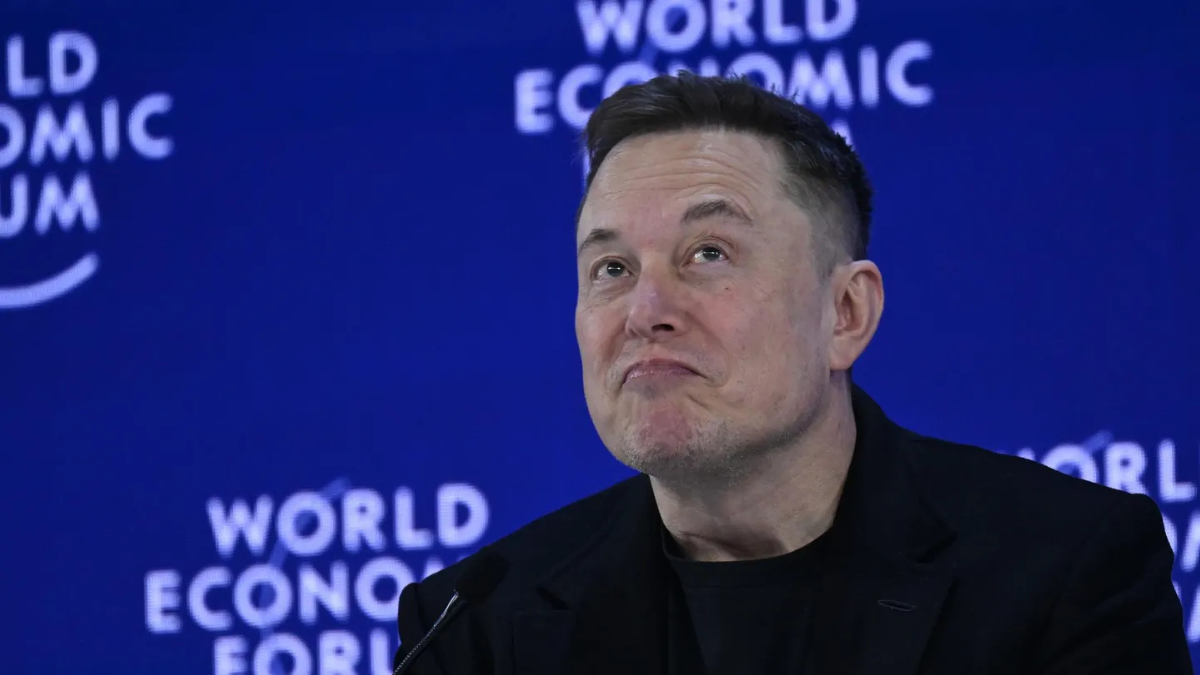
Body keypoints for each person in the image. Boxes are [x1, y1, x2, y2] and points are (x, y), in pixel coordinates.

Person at [393, 73, 1192, 674]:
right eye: (610, 267)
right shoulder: (474, 624)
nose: (644, 310)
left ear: (845, 312)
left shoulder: (1063, 570)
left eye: (708, 253)